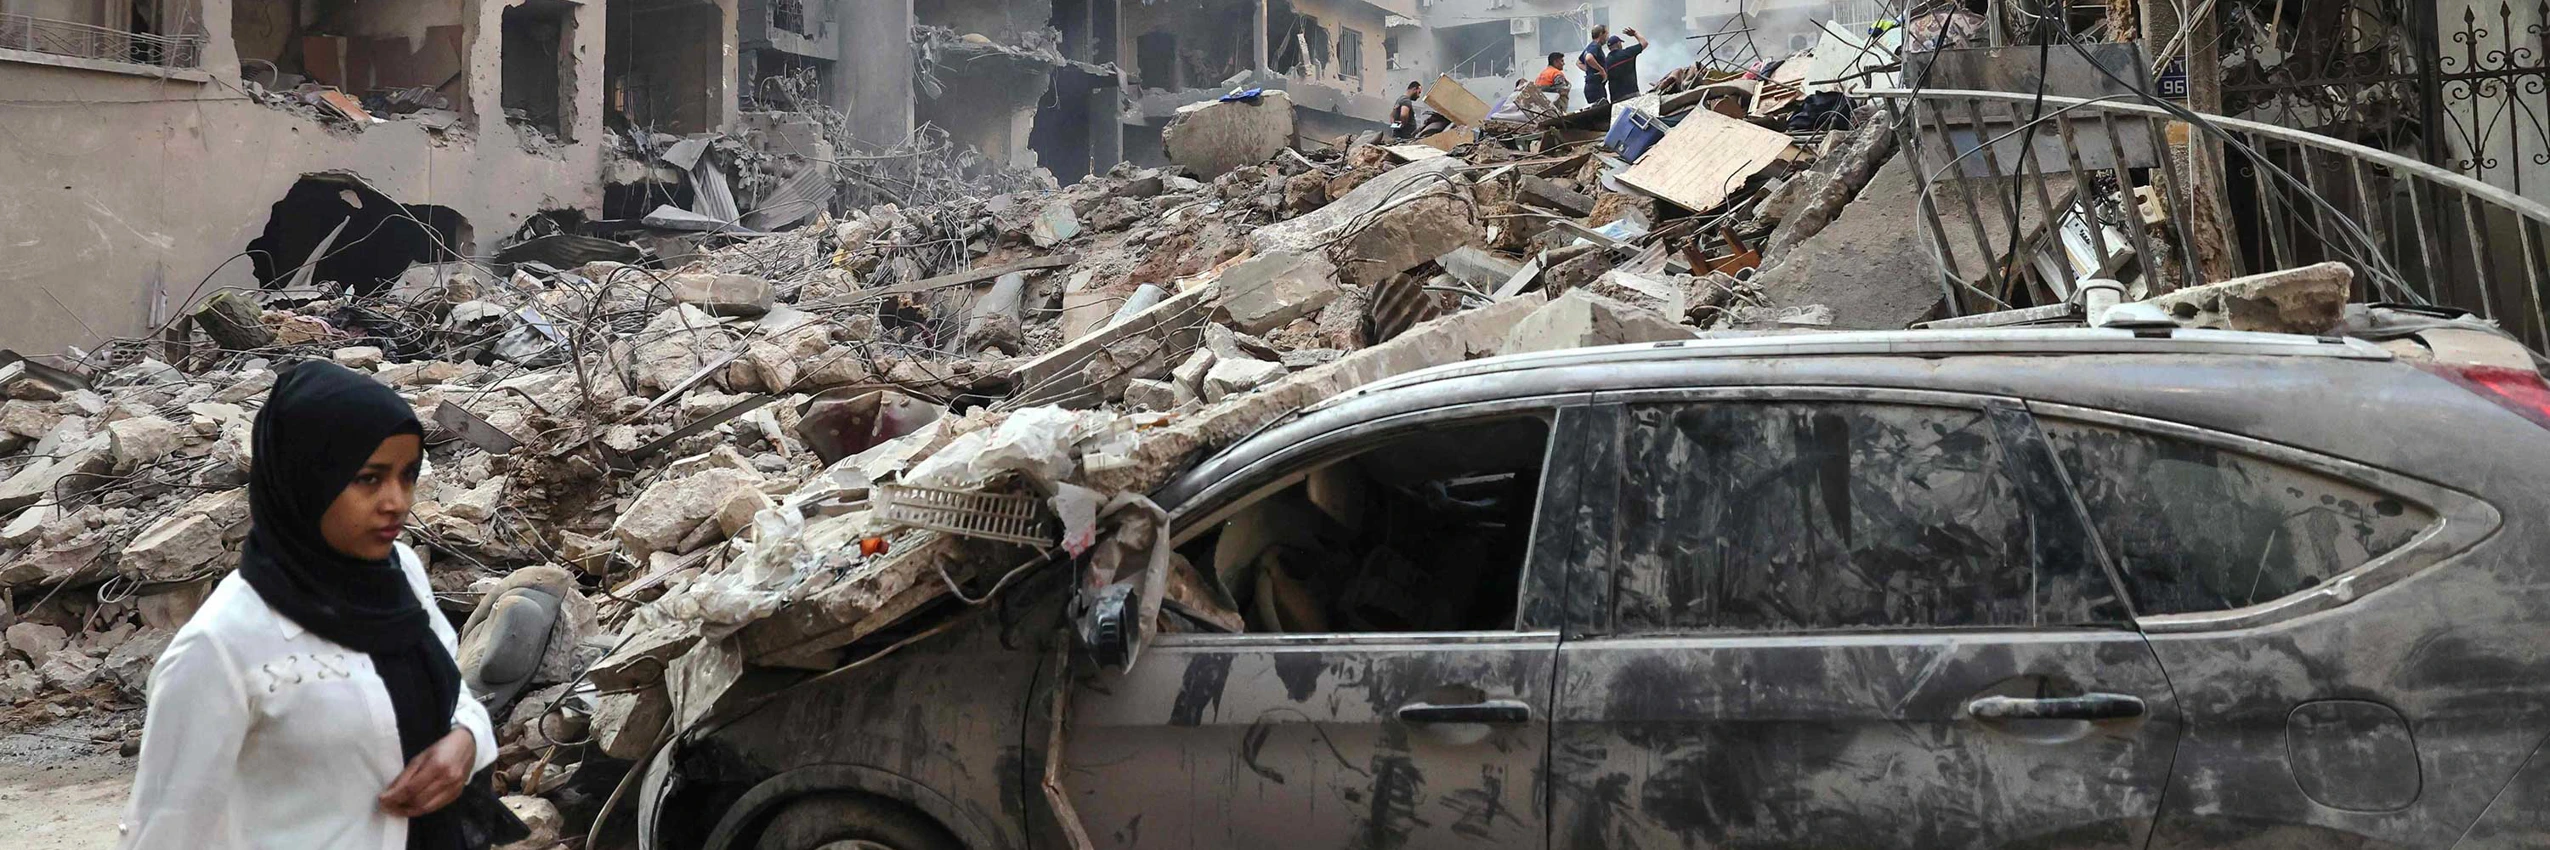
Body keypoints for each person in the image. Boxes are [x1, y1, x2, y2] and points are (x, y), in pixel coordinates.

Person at [119, 361, 514, 850]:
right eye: (369, 479)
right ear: (304, 480)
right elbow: (166, 833)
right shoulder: (220, 645)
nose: (396, 501)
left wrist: (467, 741)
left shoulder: (401, 576)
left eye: (407, 475)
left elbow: (453, 693)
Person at [1605, 28, 1650, 102]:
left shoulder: (1606, 62)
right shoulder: (1628, 53)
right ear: (1619, 43)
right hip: (1632, 95)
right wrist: (1635, 33)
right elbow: (1644, 43)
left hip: (1616, 98)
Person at [1578, 25, 1612, 106]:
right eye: (1606, 34)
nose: (1607, 37)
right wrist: (1601, 70)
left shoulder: (1589, 47)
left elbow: (1579, 62)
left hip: (1592, 86)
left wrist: (1590, 70)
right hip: (1596, 87)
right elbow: (1589, 58)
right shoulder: (1595, 46)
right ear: (1601, 34)